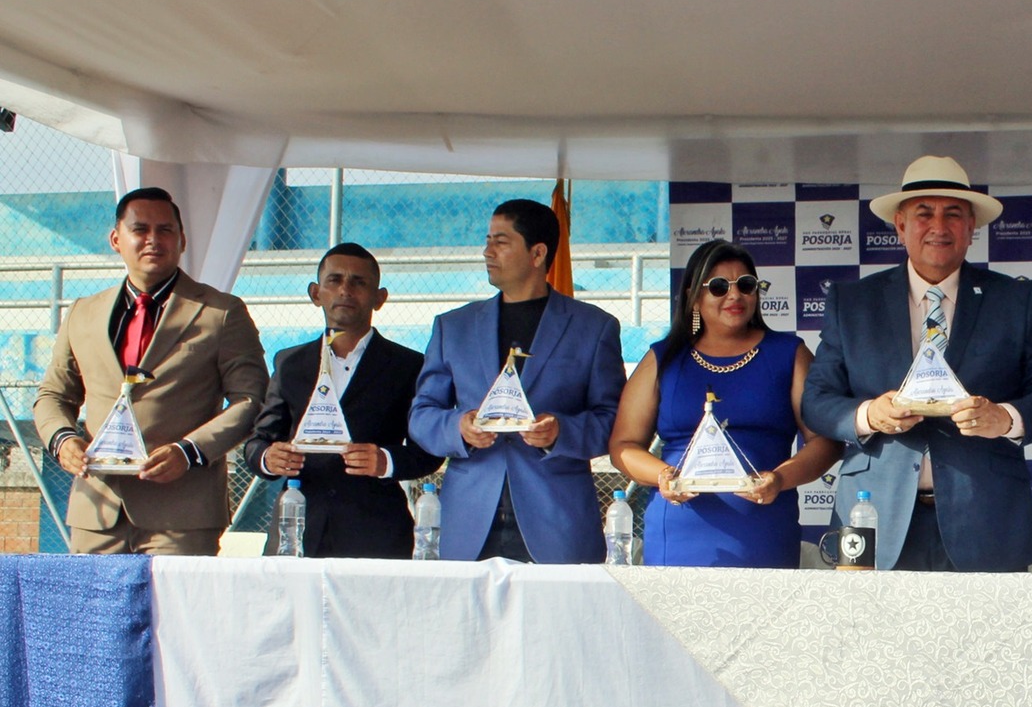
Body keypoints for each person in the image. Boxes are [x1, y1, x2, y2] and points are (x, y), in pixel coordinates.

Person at [801, 155, 1032, 571]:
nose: (939, 227)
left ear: (971, 226)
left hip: (987, 519)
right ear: (900, 225)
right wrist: (870, 414)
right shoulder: (852, 302)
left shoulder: (1017, 300)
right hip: (874, 516)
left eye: (953, 214)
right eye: (924, 213)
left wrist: (1003, 418)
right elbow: (817, 400)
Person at [34, 186, 267, 555]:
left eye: (165, 230)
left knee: (173, 598)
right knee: (94, 598)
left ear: (182, 240)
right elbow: (52, 395)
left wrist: (188, 452)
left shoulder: (221, 313)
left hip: (181, 517)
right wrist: (63, 440)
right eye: (140, 229)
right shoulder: (83, 313)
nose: (153, 240)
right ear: (116, 239)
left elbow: (252, 400)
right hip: (97, 512)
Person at [409, 198, 625, 564]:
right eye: (488, 241)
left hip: (557, 521)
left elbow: (614, 420)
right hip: (469, 522)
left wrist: (561, 432)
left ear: (537, 253)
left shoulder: (593, 327)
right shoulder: (453, 327)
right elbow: (422, 415)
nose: (487, 252)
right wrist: (459, 426)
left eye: (501, 242)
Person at [609, 240, 840, 567]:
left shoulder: (789, 354)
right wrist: (663, 476)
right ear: (694, 296)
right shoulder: (663, 359)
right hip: (677, 534)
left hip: (764, 532)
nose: (734, 296)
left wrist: (779, 479)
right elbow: (623, 446)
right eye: (719, 286)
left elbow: (826, 442)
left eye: (745, 285)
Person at [243, 243, 443, 558]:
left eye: (359, 282)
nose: (345, 290)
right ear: (315, 293)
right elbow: (259, 440)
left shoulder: (409, 366)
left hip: (377, 534)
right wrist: (269, 458)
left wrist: (386, 461)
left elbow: (429, 451)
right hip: (297, 530)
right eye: (334, 280)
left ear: (380, 298)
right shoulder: (290, 363)